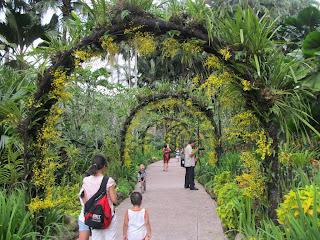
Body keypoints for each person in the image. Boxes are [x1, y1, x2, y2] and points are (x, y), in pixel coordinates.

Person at [82, 154, 117, 240]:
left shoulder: (86, 180)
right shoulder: (108, 181)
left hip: (93, 215)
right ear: (104, 166)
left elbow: (86, 201)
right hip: (107, 215)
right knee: (110, 237)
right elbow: (114, 200)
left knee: (96, 238)